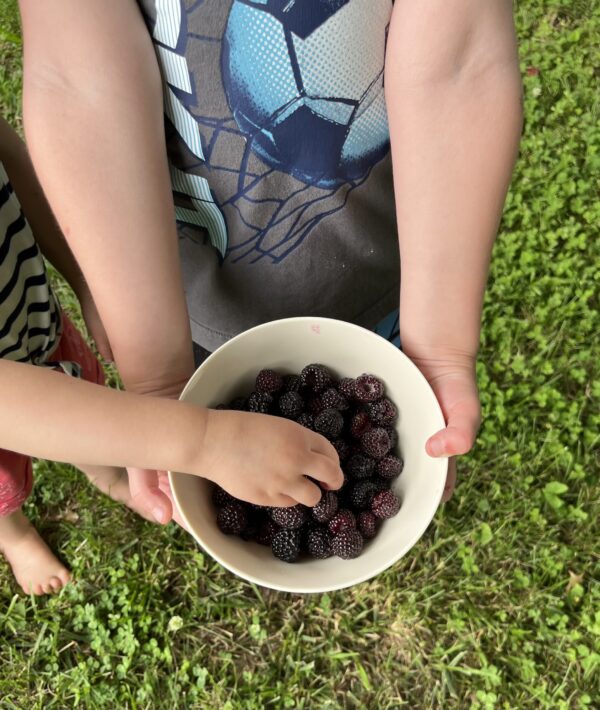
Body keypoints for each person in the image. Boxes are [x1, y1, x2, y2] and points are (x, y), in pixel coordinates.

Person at [16, 0, 523, 524]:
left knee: (382, 369)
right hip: (181, 295)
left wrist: (438, 346)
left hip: (385, 269)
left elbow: (459, 61)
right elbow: (79, 83)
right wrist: (159, 381)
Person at [0, 116, 341, 594]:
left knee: (83, 404)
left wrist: (84, 280)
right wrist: (206, 441)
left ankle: (109, 471)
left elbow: (9, 160)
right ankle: (13, 535)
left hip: (32, 322)